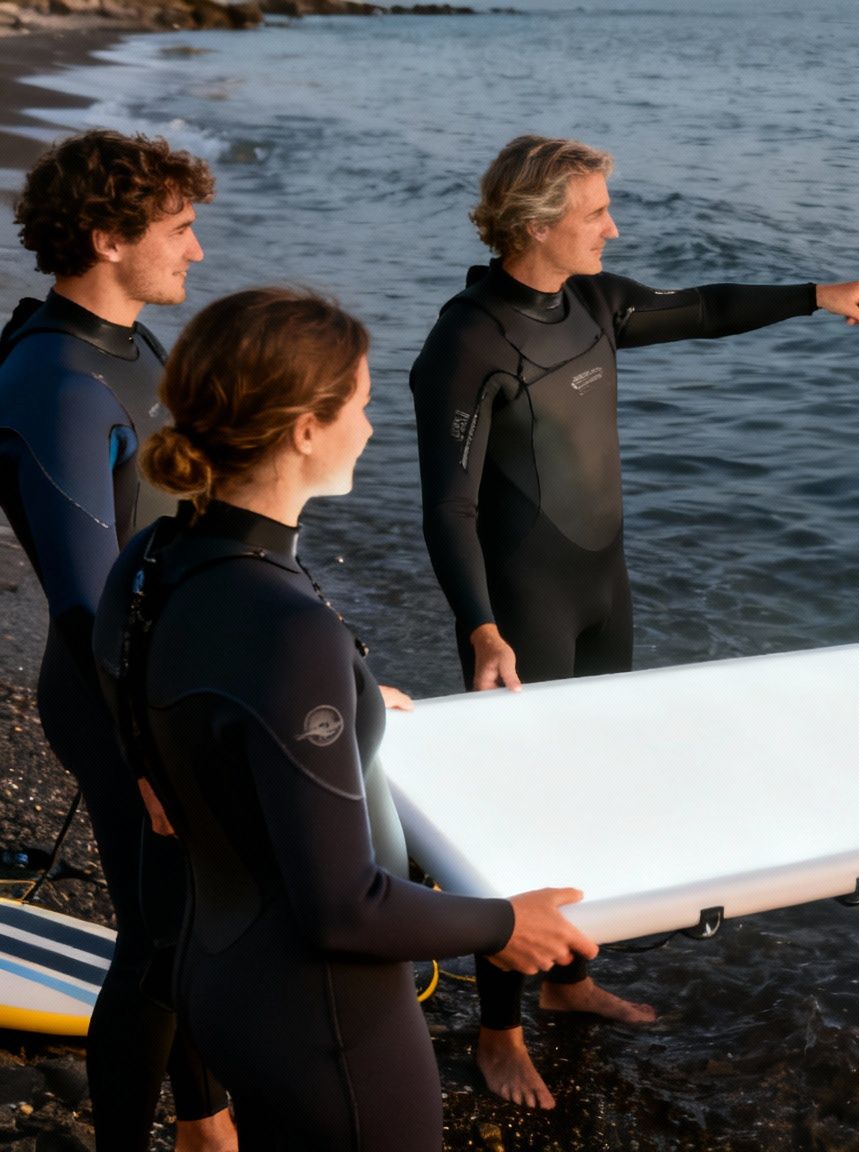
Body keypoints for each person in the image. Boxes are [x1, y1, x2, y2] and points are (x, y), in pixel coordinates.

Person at [409, 134, 859, 1108]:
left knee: (593, 787)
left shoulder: (593, 303)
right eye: (596, 211)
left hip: (603, 589)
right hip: (522, 607)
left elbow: (708, 309)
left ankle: (568, 981)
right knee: (522, 813)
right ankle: (499, 1030)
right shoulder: (466, 341)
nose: (614, 225)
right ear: (540, 221)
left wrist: (818, 294)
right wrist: (479, 627)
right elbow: (446, 509)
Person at [93, 287, 598, 1150]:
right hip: (330, 1023)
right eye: (359, 406)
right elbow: (344, 908)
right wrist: (507, 925)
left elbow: (173, 725)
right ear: (303, 429)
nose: (370, 427)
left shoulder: (158, 556)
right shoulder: (289, 632)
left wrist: (351, 691)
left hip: (215, 973)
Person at [0, 129, 234, 1152]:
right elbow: (84, 603)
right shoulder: (55, 384)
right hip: (114, 699)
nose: (195, 252)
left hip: (172, 682)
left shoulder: (133, 345)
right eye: (179, 231)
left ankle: (207, 1122)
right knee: (158, 938)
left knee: (182, 926)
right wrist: (144, 749)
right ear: (106, 237)